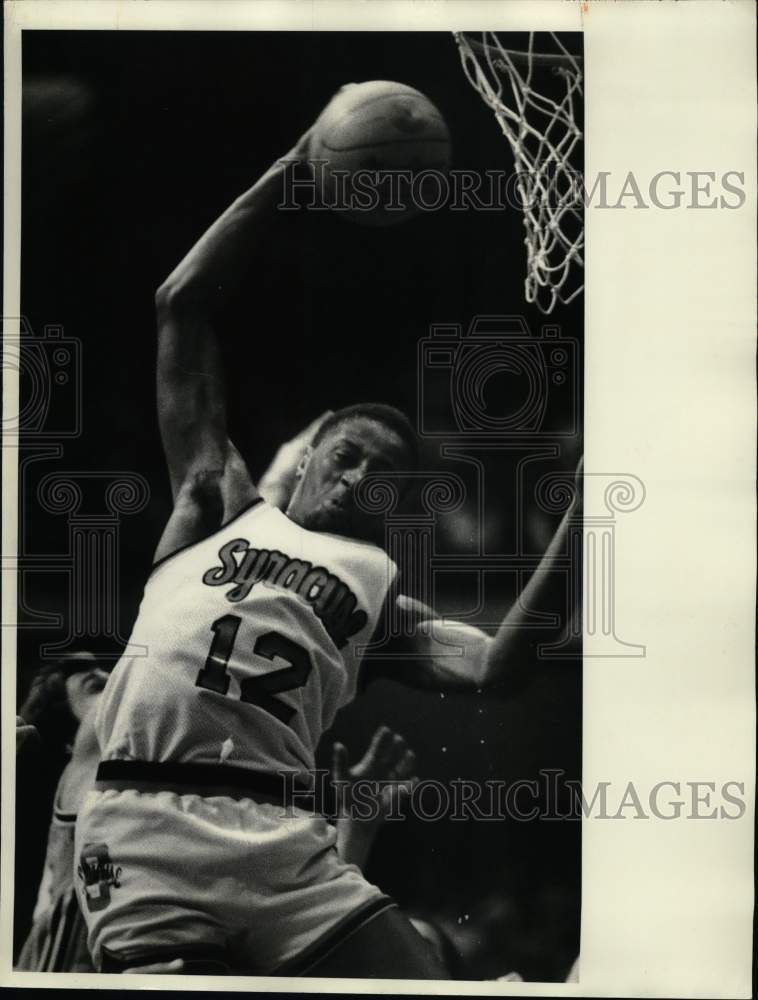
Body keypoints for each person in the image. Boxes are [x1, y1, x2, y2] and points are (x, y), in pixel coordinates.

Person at [75, 122, 580, 978]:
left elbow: (498, 663)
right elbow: (181, 304)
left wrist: (586, 502)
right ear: (306, 459)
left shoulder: (381, 593)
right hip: (144, 817)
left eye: (380, 478)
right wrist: (290, 166)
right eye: (346, 458)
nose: (355, 481)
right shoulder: (217, 505)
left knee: (431, 983)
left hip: (282, 842)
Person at [16, 653, 110, 972]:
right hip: (66, 942)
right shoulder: (87, 751)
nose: (99, 672)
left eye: (100, 668)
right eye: (78, 672)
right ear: (71, 744)